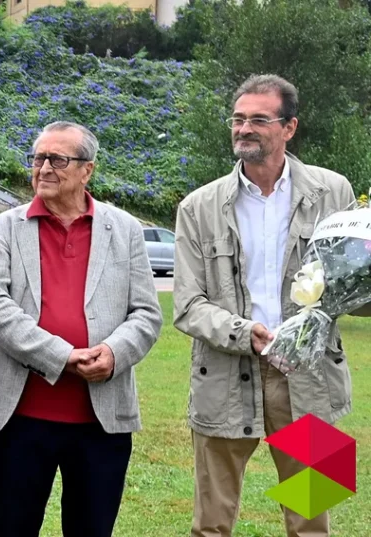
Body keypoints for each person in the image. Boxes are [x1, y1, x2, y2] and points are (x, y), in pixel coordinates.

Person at [173, 74, 356, 537]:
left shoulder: (335, 192)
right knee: (210, 525)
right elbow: (188, 305)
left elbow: (354, 282)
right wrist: (242, 332)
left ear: (289, 127)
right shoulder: (198, 206)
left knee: (311, 524)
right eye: (238, 119)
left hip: (310, 380)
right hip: (223, 377)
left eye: (258, 119)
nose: (244, 129)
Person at [0, 121, 162, 537]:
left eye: (58, 159)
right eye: (38, 158)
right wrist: (62, 357)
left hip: (100, 422)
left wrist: (113, 353)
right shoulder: (6, 227)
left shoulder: (124, 230)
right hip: (19, 418)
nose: (44, 168)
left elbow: (146, 313)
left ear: (87, 169)